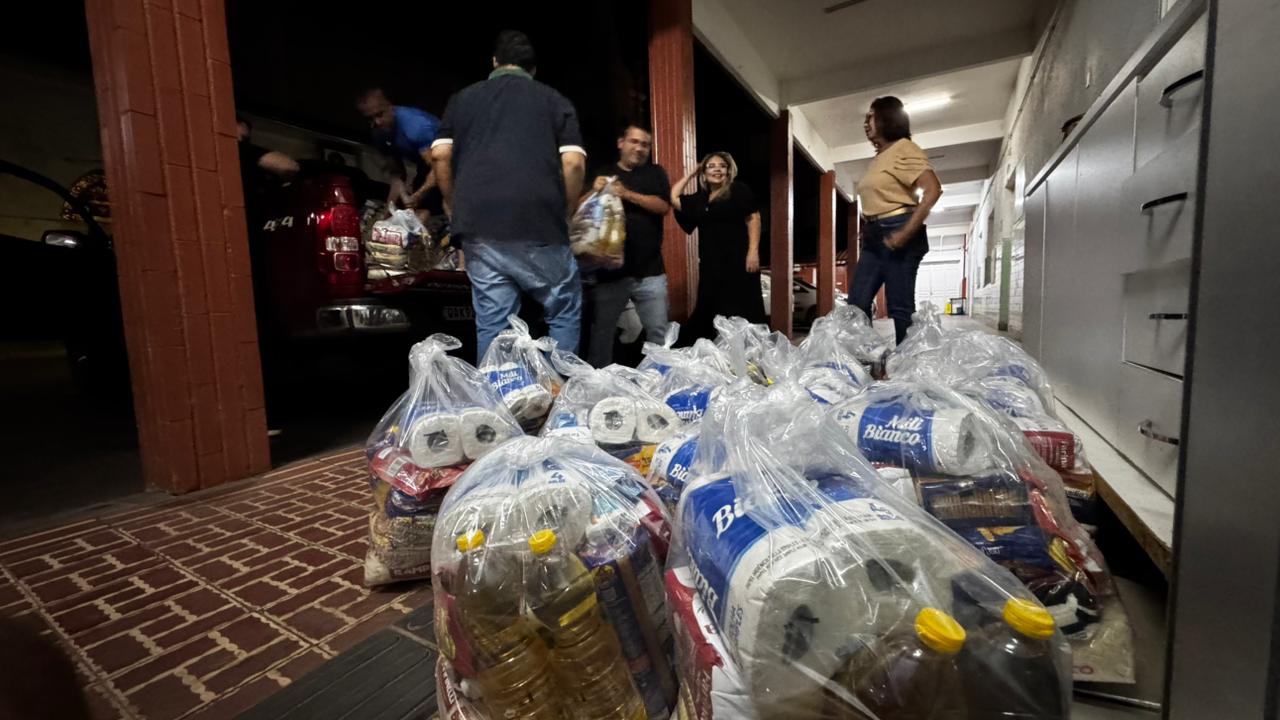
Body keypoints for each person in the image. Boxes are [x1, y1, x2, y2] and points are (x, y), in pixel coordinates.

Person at [430, 30, 587, 358]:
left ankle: (496, 386)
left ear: (495, 62)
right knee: (562, 307)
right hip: (539, 222)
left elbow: (440, 155)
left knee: (493, 323)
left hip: (478, 226)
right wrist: (567, 211)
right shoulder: (553, 100)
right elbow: (573, 163)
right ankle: (560, 384)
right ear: (533, 69)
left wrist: (452, 204)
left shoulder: (462, 100)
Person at [848, 96, 943, 344]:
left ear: (887, 119)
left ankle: (907, 363)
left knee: (899, 307)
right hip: (875, 236)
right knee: (856, 304)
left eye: (871, 117)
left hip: (899, 230)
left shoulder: (903, 148)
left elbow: (933, 189)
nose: (866, 123)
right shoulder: (881, 157)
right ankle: (867, 357)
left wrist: (906, 231)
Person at [582, 123, 672, 367]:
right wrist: (593, 191)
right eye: (634, 141)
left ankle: (659, 378)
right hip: (610, 273)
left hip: (650, 271)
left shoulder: (654, 173)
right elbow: (579, 208)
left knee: (658, 334)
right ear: (621, 143)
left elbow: (663, 207)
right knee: (601, 335)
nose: (640, 148)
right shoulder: (603, 172)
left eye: (645, 144)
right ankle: (597, 382)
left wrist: (626, 194)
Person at [670, 152, 764, 341]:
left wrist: (753, 252)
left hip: (739, 261)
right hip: (711, 265)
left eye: (722, 166)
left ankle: (748, 351)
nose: (717, 169)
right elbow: (674, 197)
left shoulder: (738, 190)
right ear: (704, 174)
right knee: (710, 307)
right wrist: (692, 172)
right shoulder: (701, 200)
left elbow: (753, 217)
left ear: (728, 171)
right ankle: (714, 351)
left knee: (744, 307)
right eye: (711, 166)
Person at [356, 88, 441, 212]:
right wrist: (387, 212)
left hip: (454, 161)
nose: (377, 122)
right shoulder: (378, 133)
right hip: (425, 165)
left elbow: (440, 169)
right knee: (416, 211)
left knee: (435, 205)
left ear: (391, 107)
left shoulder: (416, 127)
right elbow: (397, 175)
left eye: (380, 114)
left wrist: (419, 194)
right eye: (370, 119)